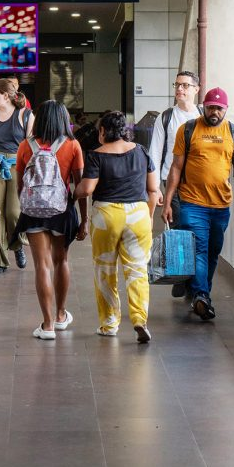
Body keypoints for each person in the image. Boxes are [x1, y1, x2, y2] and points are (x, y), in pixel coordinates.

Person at [162, 87, 234, 321]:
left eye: (219, 108)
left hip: (221, 205)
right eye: (210, 107)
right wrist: (168, 202)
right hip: (192, 203)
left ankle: (200, 293)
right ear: (203, 106)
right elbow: (176, 167)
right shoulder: (188, 129)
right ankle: (202, 295)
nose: (214, 112)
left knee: (213, 251)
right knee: (200, 249)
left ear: (226, 109)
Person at [74, 111, 160, 343]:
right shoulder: (141, 151)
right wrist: (149, 215)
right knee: (137, 270)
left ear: (103, 131)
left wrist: (73, 192)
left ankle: (109, 324)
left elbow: (87, 189)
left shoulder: (96, 155)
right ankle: (139, 319)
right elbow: (153, 189)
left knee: (105, 271)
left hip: (107, 217)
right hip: (138, 215)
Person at [15, 100, 88, 340]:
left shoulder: (26, 146)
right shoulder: (72, 145)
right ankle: (60, 315)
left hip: (33, 211)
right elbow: (79, 187)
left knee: (42, 266)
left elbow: (20, 185)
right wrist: (84, 219)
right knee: (61, 261)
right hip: (62, 211)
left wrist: (29, 204)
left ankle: (46, 326)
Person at [0, 78, 34, 273]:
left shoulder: (25, 115)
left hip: (18, 166)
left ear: (6, 95)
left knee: (13, 213)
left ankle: (17, 244)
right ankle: (1, 260)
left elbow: (31, 147)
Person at [148, 71, 202, 227]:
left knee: (196, 226)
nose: (179, 89)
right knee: (178, 226)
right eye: (177, 85)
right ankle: (180, 252)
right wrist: (155, 187)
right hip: (172, 180)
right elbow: (155, 153)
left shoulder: (202, 116)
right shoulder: (166, 117)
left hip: (198, 181)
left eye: (185, 85)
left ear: (196, 89)